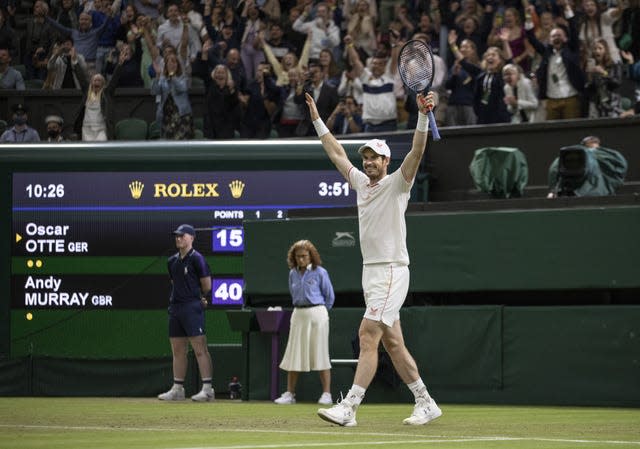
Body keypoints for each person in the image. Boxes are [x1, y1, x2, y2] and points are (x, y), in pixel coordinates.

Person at [305, 91, 442, 427]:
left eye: (374, 158)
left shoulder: (399, 183)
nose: (367, 162)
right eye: (365, 157)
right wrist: (317, 121)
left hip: (393, 271)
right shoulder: (360, 184)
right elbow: (336, 152)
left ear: (386, 162)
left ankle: (349, 407)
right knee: (393, 343)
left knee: (368, 335)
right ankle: (426, 402)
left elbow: (417, 150)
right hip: (372, 273)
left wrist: (423, 115)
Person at [274, 239, 335, 406]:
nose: (301, 259)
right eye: (298, 256)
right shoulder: (292, 273)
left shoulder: (320, 272)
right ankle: (290, 394)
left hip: (318, 314)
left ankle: (326, 394)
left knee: (321, 353)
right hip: (298, 314)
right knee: (294, 353)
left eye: (304, 256)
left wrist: (319, 312)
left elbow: (329, 297)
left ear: (311, 256)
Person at [158, 224, 215, 402]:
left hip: (192, 307)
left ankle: (207, 389)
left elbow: (207, 286)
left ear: (191, 238)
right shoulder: (171, 261)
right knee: (178, 351)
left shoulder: (198, 259)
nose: (178, 238)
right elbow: (175, 283)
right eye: (177, 236)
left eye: (182, 236)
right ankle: (178, 388)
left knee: (200, 349)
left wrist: (199, 298)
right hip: (176, 308)